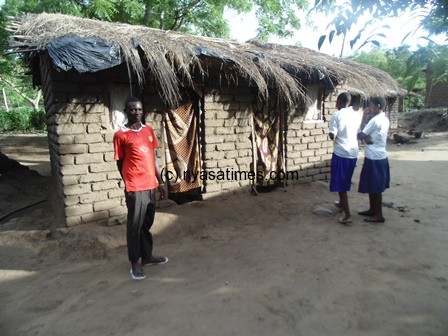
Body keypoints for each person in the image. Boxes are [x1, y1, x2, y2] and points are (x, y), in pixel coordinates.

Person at [113, 96, 168, 280]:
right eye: (132, 109)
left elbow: (153, 158)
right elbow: (120, 163)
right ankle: (134, 262)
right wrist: (130, 182)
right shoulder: (121, 135)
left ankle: (147, 256)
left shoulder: (149, 131)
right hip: (135, 188)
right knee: (134, 226)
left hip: (150, 185)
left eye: (139, 109)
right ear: (126, 111)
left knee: (146, 224)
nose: (136, 112)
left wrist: (160, 182)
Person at [328, 92, 361, 225]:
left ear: (340, 102)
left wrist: (331, 131)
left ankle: (347, 215)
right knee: (345, 180)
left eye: (336, 102)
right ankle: (342, 204)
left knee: (341, 185)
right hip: (353, 153)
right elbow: (358, 133)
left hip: (341, 153)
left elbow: (332, 135)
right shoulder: (356, 114)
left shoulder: (337, 115)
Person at [357, 96, 390, 223]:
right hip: (380, 155)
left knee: (376, 187)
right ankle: (373, 209)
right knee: (373, 185)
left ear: (378, 107)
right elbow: (368, 137)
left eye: (371, 106)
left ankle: (378, 214)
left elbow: (360, 135)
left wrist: (363, 119)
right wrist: (366, 139)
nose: (369, 109)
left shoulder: (374, 121)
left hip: (374, 157)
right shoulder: (384, 119)